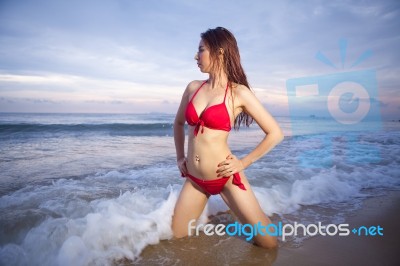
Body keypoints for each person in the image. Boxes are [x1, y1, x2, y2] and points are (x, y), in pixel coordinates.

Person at [172, 27, 284, 249]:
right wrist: (180, 157)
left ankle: (230, 209)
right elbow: (178, 123)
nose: (196, 56)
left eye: (201, 50)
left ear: (219, 51)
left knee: (268, 244)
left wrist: (243, 162)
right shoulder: (193, 87)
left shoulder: (238, 93)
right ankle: (222, 213)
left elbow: (275, 133)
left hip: (226, 177)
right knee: (177, 241)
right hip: (195, 181)